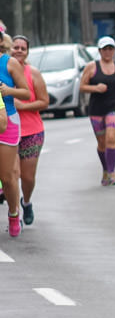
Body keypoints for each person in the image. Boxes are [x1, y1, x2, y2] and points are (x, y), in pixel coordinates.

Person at [80, 37, 115, 187]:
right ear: (99, 51)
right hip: (97, 108)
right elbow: (82, 86)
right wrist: (95, 88)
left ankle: (112, 172)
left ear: (114, 50)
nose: (108, 52)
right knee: (101, 142)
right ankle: (105, 170)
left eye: (110, 49)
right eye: (105, 49)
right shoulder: (91, 66)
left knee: (111, 137)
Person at [11, 36, 48, 226]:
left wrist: (22, 106)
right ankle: (14, 214)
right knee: (13, 174)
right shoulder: (4, 73)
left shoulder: (33, 73)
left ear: (27, 52)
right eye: (15, 47)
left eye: (22, 48)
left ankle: (26, 202)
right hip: (8, 131)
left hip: (32, 131)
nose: (18, 50)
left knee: (27, 177)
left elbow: (44, 101)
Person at [0, 33, 30, 236]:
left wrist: (9, 90)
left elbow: (26, 93)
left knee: (7, 177)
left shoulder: (9, 63)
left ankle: (13, 213)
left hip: (7, 120)